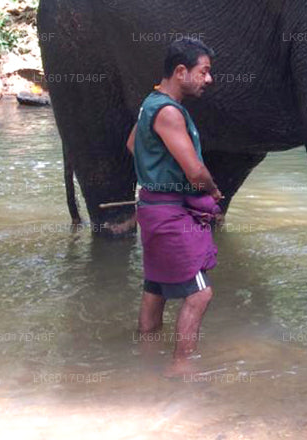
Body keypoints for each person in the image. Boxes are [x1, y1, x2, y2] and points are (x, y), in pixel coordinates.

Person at [125, 36, 223, 377]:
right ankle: (181, 366)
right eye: (204, 71)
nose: (208, 79)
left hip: (151, 208)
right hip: (170, 213)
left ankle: (145, 354)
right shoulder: (169, 112)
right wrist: (213, 193)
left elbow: (132, 143)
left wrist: (155, 170)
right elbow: (195, 171)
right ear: (181, 71)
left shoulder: (151, 103)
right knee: (199, 294)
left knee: (156, 286)